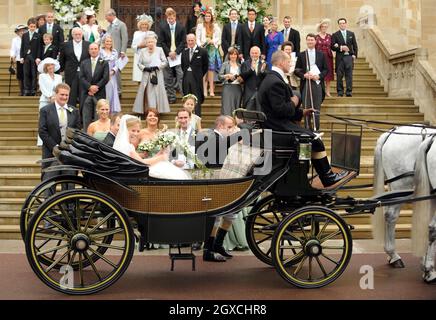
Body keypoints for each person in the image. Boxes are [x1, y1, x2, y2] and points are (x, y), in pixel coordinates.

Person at [258, 50, 348, 187]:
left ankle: (322, 174)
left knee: (312, 137)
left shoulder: (272, 78)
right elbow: (281, 110)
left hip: (276, 125)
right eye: (289, 62)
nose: (290, 64)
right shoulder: (274, 81)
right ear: (281, 63)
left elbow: (279, 110)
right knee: (315, 140)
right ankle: (328, 177)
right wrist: (295, 100)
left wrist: (302, 113)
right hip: (278, 128)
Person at [115, 112, 190, 180]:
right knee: (172, 173)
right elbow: (143, 163)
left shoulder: (128, 145)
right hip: (133, 174)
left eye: (138, 131)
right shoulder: (128, 147)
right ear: (126, 130)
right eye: (133, 130)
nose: (136, 133)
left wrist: (159, 154)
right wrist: (160, 158)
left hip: (137, 170)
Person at [39, 83, 80, 181]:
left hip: (69, 154)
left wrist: (69, 146)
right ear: (56, 94)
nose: (64, 97)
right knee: (49, 185)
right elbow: (42, 131)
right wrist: (54, 147)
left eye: (67, 95)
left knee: (69, 185)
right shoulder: (46, 110)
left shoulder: (74, 111)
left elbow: (77, 131)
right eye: (62, 94)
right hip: (51, 154)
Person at [295, 33, 328, 130]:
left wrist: (319, 76)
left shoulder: (321, 54)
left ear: (315, 41)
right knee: (306, 107)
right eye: (308, 40)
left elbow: (326, 69)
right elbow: (297, 70)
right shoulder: (302, 54)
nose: (310, 41)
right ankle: (307, 129)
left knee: (316, 108)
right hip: (306, 84)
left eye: (312, 40)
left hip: (317, 84)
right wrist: (304, 75)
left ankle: (316, 129)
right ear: (306, 41)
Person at [133, 34, 170, 115]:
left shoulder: (159, 50)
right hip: (147, 74)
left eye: (152, 42)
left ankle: (158, 111)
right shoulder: (142, 51)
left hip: (157, 74)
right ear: (146, 43)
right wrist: (145, 68)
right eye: (149, 42)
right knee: (148, 92)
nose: (150, 43)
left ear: (155, 42)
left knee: (157, 91)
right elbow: (139, 63)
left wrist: (158, 67)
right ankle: (148, 110)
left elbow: (165, 61)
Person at [79, 43, 110, 132]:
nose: (93, 50)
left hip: (99, 93)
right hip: (86, 93)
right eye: (91, 49)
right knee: (86, 117)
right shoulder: (84, 63)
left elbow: (105, 78)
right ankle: (86, 135)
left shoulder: (104, 63)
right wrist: (89, 87)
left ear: (98, 50)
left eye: (95, 48)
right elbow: (81, 77)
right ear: (89, 51)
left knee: (99, 116)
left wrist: (96, 87)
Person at [158, 8, 186, 104]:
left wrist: (176, 52)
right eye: (169, 18)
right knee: (168, 77)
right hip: (167, 55)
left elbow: (183, 42)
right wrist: (169, 52)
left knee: (181, 75)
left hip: (178, 55)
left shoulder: (181, 27)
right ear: (167, 18)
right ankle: (171, 97)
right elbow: (161, 42)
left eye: (172, 18)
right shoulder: (162, 27)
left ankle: (184, 96)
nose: (170, 20)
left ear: (175, 17)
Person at [59, 27, 90, 107]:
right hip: (70, 74)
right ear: (72, 35)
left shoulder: (88, 44)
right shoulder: (65, 45)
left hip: (84, 74)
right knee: (70, 97)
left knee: (83, 96)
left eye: (79, 34)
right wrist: (62, 70)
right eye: (76, 34)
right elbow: (62, 59)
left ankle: (83, 117)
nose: (78, 36)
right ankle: (71, 116)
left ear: (82, 34)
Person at [196, 9, 222, 97]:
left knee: (211, 70)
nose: (207, 17)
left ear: (211, 17)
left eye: (209, 16)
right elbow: (197, 38)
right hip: (203, 49)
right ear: (204, 17)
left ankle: (211, 89)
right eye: (206, 16)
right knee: (204, 70)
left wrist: (212, 41)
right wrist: (201, 45)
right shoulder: (200, 26)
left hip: (211, 49)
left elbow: (218, 38)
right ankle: (204, 90)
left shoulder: (216, 26)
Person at [181, 33, 209, 117]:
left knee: (196, 99)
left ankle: (197, 119)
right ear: (186, 41)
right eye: (189, 40)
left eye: (192, 40)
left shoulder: (202, 51)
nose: (190, 42)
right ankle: (187, 117)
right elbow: (183, 66)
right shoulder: (184, 52)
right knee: (187, 99)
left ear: (195, 40)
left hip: (197, 80)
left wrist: (199, 75)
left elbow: (205, 66)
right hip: (186, 79)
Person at [37, 58, 62, 146]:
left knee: (54, 121)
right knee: (43, 121)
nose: (50, 67)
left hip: (56, 101)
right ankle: (41, 142)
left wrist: (56, 97)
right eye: (48, 65)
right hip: (45, 100)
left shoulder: (59, 77)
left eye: (52, 65)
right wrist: (50, 96)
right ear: (46, 67)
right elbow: (42, 87)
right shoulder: (42, 76)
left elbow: (60, 88)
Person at [331, 18, 358, 97]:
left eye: (343, 23)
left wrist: (354, 55)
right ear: (338, 25)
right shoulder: (335, 34)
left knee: (349, 75)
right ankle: (340, 92)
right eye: (340, 23)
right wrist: (341, 47)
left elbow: (355, 45)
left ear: (346, 24)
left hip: (349, 57)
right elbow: (332, 46)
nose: (342, 24)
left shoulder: (351, 34)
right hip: (340, 58)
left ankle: (349, 92)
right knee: (339, 76)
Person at [105, 9, 128, 96]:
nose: (106, 19)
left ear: (112, 15)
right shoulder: (109, 27)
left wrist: (123, 51)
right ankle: (112, 89)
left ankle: (119, 91)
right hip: (109, 52)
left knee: (117, 71)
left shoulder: (121, 24)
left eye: (107, 17)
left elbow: (125, 39)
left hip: (118, 52)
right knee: (111, 71)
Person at [239, 46, 267, 110]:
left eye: (256, 53)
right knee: (248, 115)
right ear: (250, 54)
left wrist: (262, 71)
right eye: (252, 53)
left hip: (260, 93)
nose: (254, 55)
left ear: (259, 54)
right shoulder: (245, 64)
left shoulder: (264, 64)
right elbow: (243, 76)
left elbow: (267, 77)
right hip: (249, 93)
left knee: (260, 114)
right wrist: (251, 69)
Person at [100, 35, 121, 113]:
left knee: (112, 92)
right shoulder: (100, 51)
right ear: (104, 42)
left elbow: (117, 64)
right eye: (107, 41)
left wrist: (112, 71)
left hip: (112, 75)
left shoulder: (115, 52)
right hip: (102, 75)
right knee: (105, 92)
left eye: (110, 41)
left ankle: (112, 110)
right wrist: (105, 73)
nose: (109, 43)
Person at [218, 47, 242, 115]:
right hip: (227, 87)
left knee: (236, 107)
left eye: (235, 54)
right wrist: (227, 75)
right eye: (231, 54)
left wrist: (240, 78)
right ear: (229, 55)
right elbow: (219, 76)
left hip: (237, 88)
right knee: (227, 107)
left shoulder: (240, 65)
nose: (233, 56)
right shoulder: (225, 64)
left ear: (237, 56)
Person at [131, 14, 155, 82]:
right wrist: (139, 46)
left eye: (145, 24)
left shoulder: (152, 33)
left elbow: (154, 45)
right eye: (142, 24)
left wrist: (148, 45)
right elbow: (133, 46)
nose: (144, 26)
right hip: (139, 57)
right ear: (140, 25)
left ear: (148, 25)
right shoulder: (136, 33)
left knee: (148, 79)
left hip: (149, 57)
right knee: (140, 78)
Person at [20, 18, 40, 96]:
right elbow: (22, 46)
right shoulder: (24, 35)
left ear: (36, 27)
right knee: (26, 73)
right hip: (26, 57)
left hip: (34, 57)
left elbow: (39, 48)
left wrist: (38, 57)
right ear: (28, 26)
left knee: (34, 74)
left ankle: (33, 90)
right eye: (31, 26)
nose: (32, 28)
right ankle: (26, 89)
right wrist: (21, 57)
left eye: (34, 26)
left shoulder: (38, 35)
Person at [316, 19, 334, 97]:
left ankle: (327, 91)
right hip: (319, 57)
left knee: (328, 75)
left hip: (328, 57)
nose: (324, 28)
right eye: (323, 27)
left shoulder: (330, 36)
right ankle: (320, 90)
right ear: (320, 27)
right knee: (320, 73)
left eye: (326, 27)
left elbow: (333, 46)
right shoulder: (316, 37)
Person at [10, 24, 27, 96]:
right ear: (17, 32)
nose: (22, 32)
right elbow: (13, 49)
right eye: (20, 31)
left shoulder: (28, 38)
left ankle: (27, 90)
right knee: (20, 76)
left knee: (27, 75)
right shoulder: (15, 40)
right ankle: (21, 90)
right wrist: (12, 56)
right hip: (19, 60)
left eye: (23, 30)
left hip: (27, 60)